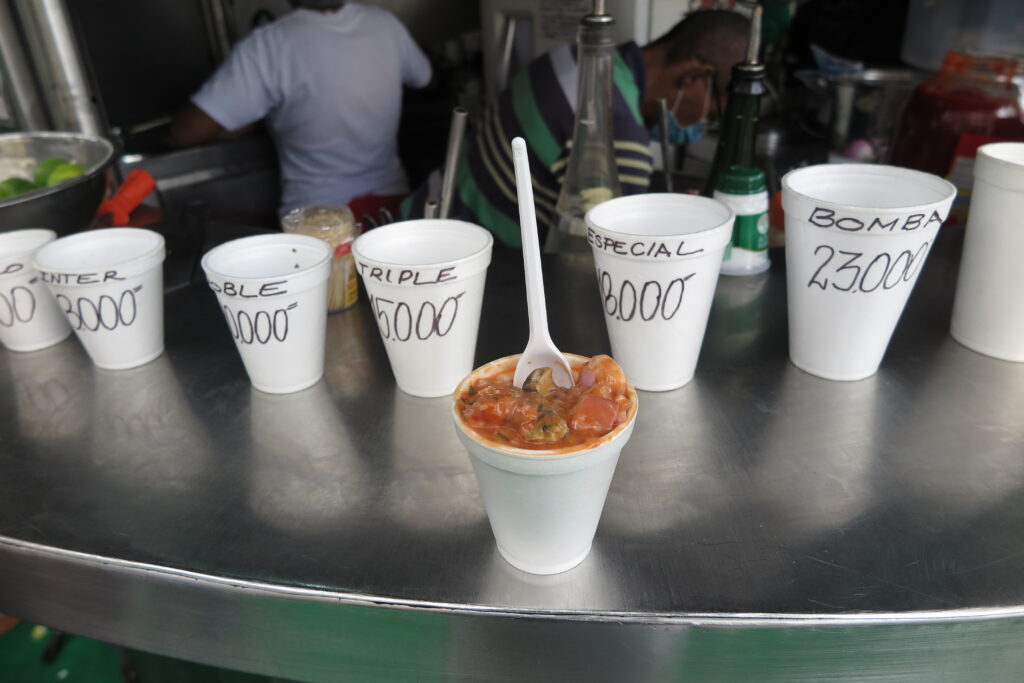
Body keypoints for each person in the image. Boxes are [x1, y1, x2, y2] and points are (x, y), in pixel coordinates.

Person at [401, 10, 750, 247]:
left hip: (417, 223)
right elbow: (605, 264)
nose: (703, 124)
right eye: (712, 112)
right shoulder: (620, 138)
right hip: (466, 267)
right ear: (694, 78)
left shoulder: (569, 58)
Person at [170, 0, 432, 218]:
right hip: (391, 209)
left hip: (317, 218)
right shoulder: (385, 24)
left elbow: (187, 132)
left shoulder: (269, 45)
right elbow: (424, 78)